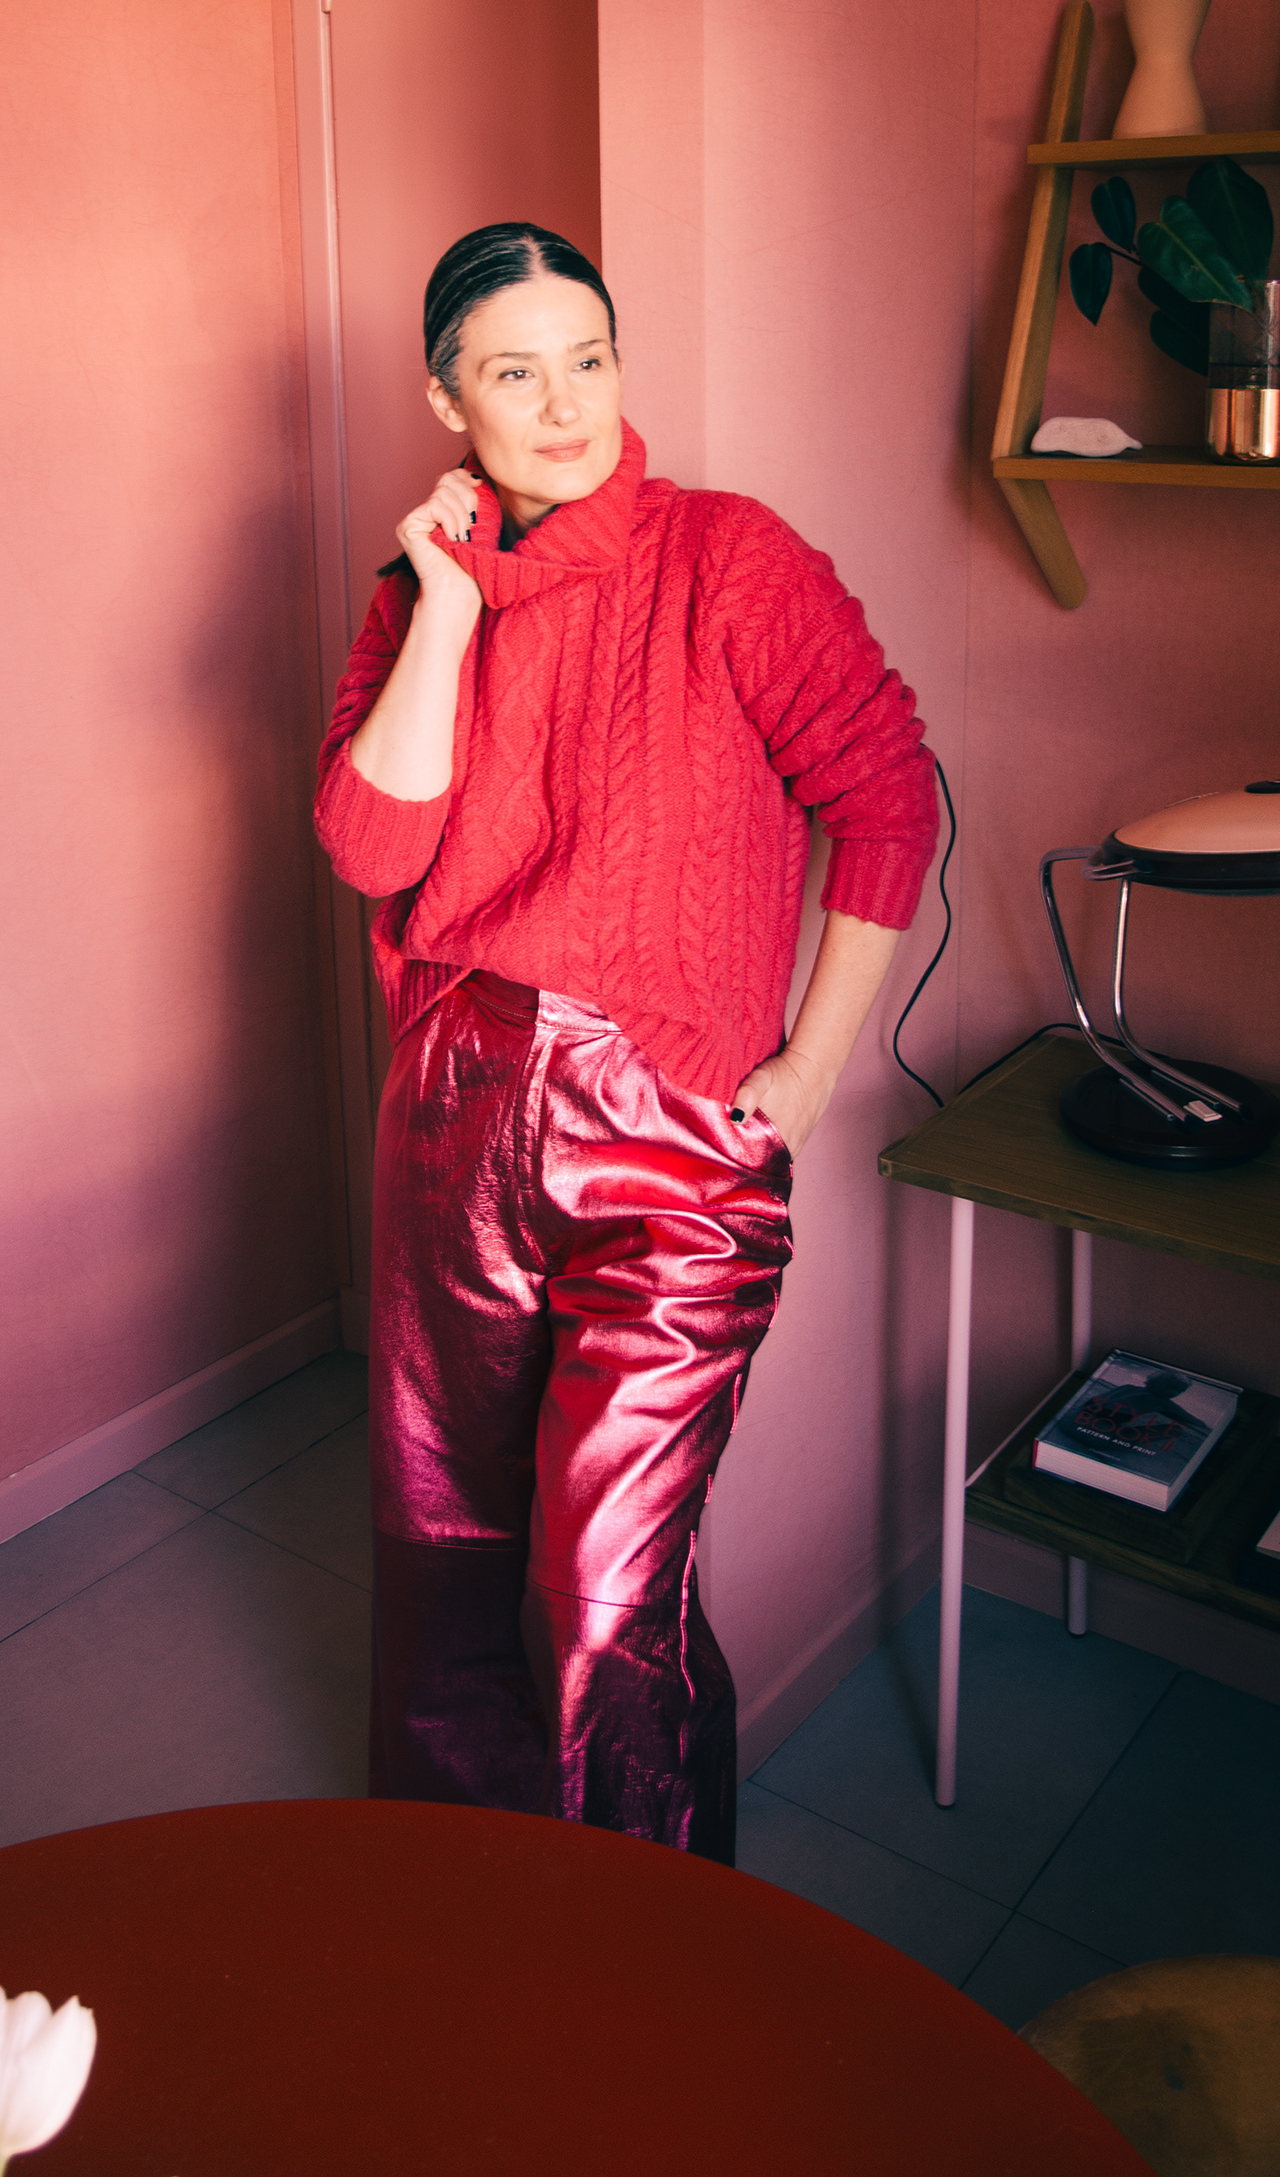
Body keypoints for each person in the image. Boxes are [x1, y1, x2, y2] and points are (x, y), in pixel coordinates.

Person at [315, 221, 938, 1863]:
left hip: (669, 1131)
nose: (565, 405)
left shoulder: (729, 557)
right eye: (515, 373)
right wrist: (448, 603)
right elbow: (373, 849)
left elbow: (889, 802)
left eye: (587, 358)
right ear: (446, 400)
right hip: (457, 1108)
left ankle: (641, 1963)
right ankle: (463, 1908)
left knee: (607, 1599)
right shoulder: (415, 597)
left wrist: (809, 1072)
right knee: (445, 1552)